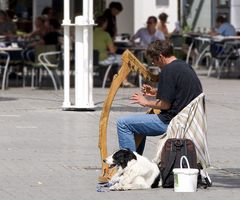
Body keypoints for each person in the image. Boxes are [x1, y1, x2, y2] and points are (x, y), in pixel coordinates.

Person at [116, 40, 203, 155]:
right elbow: (179, 92)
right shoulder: (184, 66)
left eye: (153, 60)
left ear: (160, 56)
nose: (153, 63)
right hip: (186, 119)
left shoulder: (168, 70)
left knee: (123, 123)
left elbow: (165, 105)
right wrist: (156, 92)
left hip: (171, 121)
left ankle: (129, 164)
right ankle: (137, 161)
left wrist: (145, 102)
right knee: (137, 125)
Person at [93, 15, 133, 87]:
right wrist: (116, 47)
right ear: (104, 24)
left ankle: (112, 79)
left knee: (114, 59)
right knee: (126, 59)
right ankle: (124, 81)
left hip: (92, 59)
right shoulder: (105, 34)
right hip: (103, 60)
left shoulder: (90, 33)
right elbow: (112, 50)